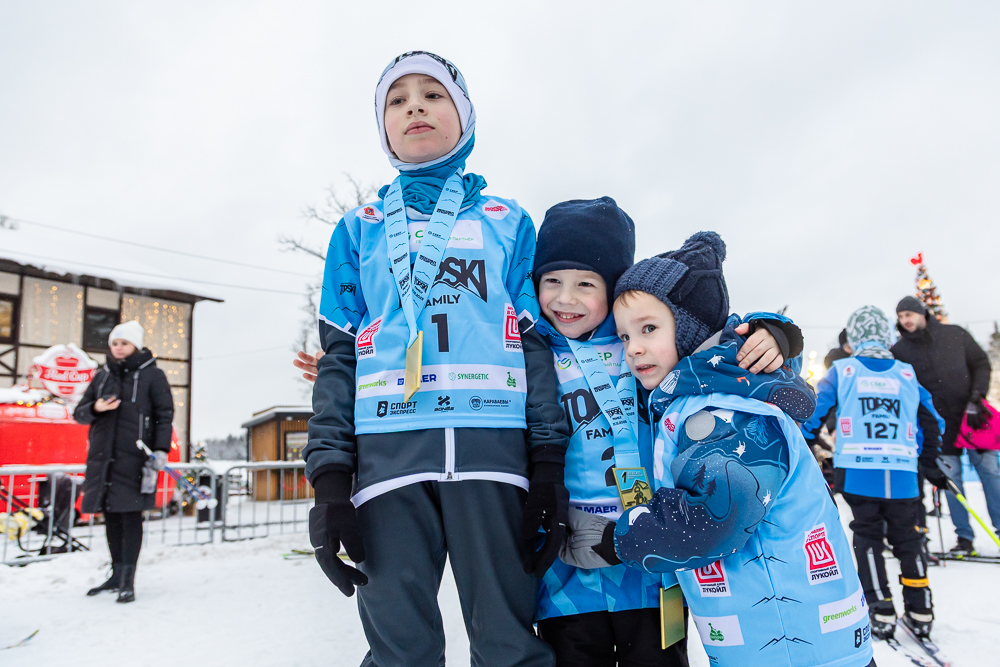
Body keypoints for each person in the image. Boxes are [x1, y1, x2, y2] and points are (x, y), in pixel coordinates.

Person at [302, 51, 566, 667]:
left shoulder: (509, 222)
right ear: (384, 127)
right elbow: (338, 359)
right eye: (397, 100)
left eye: (433, 94)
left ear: (465, 116)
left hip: (494, 457)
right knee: (400, 648)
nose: (415, 106)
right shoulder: (358, 228)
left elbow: (536, 346)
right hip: (387, 462)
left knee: (508, 642)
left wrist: (548, 461)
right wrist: (330, 482)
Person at [559, 232, 874, 667]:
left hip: (797, 646)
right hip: (769, 643)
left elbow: (715, 519)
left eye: (649, 329)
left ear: (689, 329)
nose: (633, 348)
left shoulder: (724, 408)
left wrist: (617, 541)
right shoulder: (695, 401)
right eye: (625, 336)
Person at [530, 200, 797, 667]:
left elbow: (718, 340)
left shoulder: (646, 341)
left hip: (652, 558)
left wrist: (776, 335)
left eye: (585, 284)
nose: (565, 299)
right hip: (567, 563)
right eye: (551, 281)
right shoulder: (533, 350)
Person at [800, 305, 948, 640]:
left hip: (858, 470)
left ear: (853, 339)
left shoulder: (843, 370)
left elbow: (814, 413)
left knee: (867, 536)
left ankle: (880, 608)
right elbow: (932, 421)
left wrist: (806, 443)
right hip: (901, 474)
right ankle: (920, 608)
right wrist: (928, 459)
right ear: (887, 337)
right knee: (908, 539)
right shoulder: (906, 373)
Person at [74, 320, 173, 603]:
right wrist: (96, 407)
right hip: (102, 460)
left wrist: (161, 450)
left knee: (130, 517)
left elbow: (164, 415)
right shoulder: (102, 375)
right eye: (115, 343)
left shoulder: (153, 376)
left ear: (136, 346)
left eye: (124, 343)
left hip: (135, 459)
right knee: (111, 517)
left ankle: (128, 580)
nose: (118, 348)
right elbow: (79, 413)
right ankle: (116, 575)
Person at [891, 296, 996, 556]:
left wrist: (976, 399)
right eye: (901, 316)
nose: (905, 320)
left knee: (992, 476)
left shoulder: (955, 334)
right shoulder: (900, 351)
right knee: (952, 483)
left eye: (909, 314)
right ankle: (964, 538)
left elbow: (981, 364)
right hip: (938, 428)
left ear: (922, 313)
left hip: (972, 420)